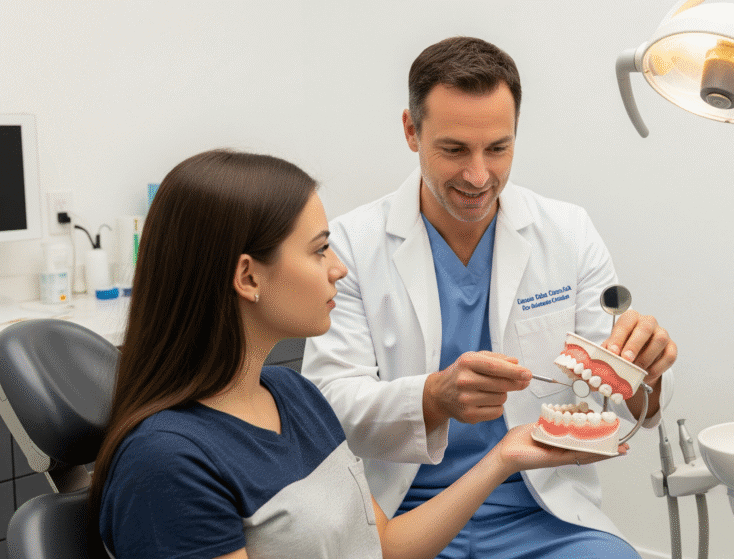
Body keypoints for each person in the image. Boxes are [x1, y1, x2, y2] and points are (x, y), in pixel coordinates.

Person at [87, 149, 622, 559]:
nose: (339, 268)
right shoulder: (168, 466)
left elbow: (383, 546)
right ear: (248, 276)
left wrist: (505, 454)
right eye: (319, 250)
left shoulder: (292, 397)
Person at [302, 36, 678, 557]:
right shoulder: (349, 245)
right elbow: (329, 406)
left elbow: (624, 393)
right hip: (405, 512)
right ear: (412, 132)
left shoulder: (566, 232)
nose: (479, 176)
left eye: (497, 148)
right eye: (454, 149)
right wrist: (432, 398)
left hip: (541, 514)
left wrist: (647, 372)